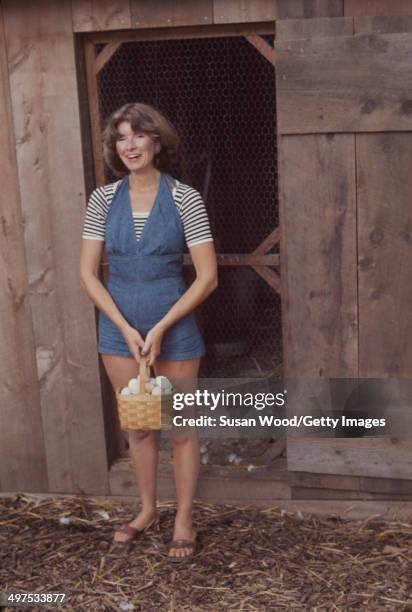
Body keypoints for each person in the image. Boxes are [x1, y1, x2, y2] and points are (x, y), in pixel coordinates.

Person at [80, 103, 217, 561]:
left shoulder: (184, 198)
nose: (130, 145)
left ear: (157, 142)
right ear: (114, 147)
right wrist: (122, 325)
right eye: (121, 138)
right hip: (119, 329)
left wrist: (160, 327)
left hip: (173, 326)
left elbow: (207, 277)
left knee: (180, 427)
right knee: (139, 426)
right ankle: (147, 510)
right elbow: (88, 274)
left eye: (139, 136)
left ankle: (183, 519)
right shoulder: (102, 199)